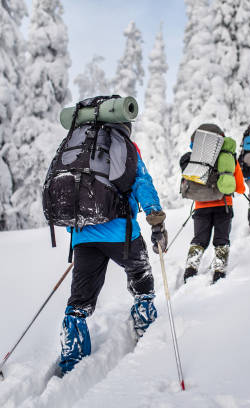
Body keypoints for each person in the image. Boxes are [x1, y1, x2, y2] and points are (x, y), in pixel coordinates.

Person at [56, 122, 168, 375]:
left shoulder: (78, 148)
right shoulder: (125, 147)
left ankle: (72, 357)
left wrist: (75, 234)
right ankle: (145, 324)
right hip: (121, 232)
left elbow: (69, 194)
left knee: (80, 299)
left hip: (83, 234)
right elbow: (142, 183)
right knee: (140, 275)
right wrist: (156, 221)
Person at [179, 124, 246, 284]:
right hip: (224, 205)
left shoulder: (194, 158)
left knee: (199, 239)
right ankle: (219, 271)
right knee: (222, 239)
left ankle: (190, 269)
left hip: (201, 206)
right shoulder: (228, 158)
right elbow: (240, 187)